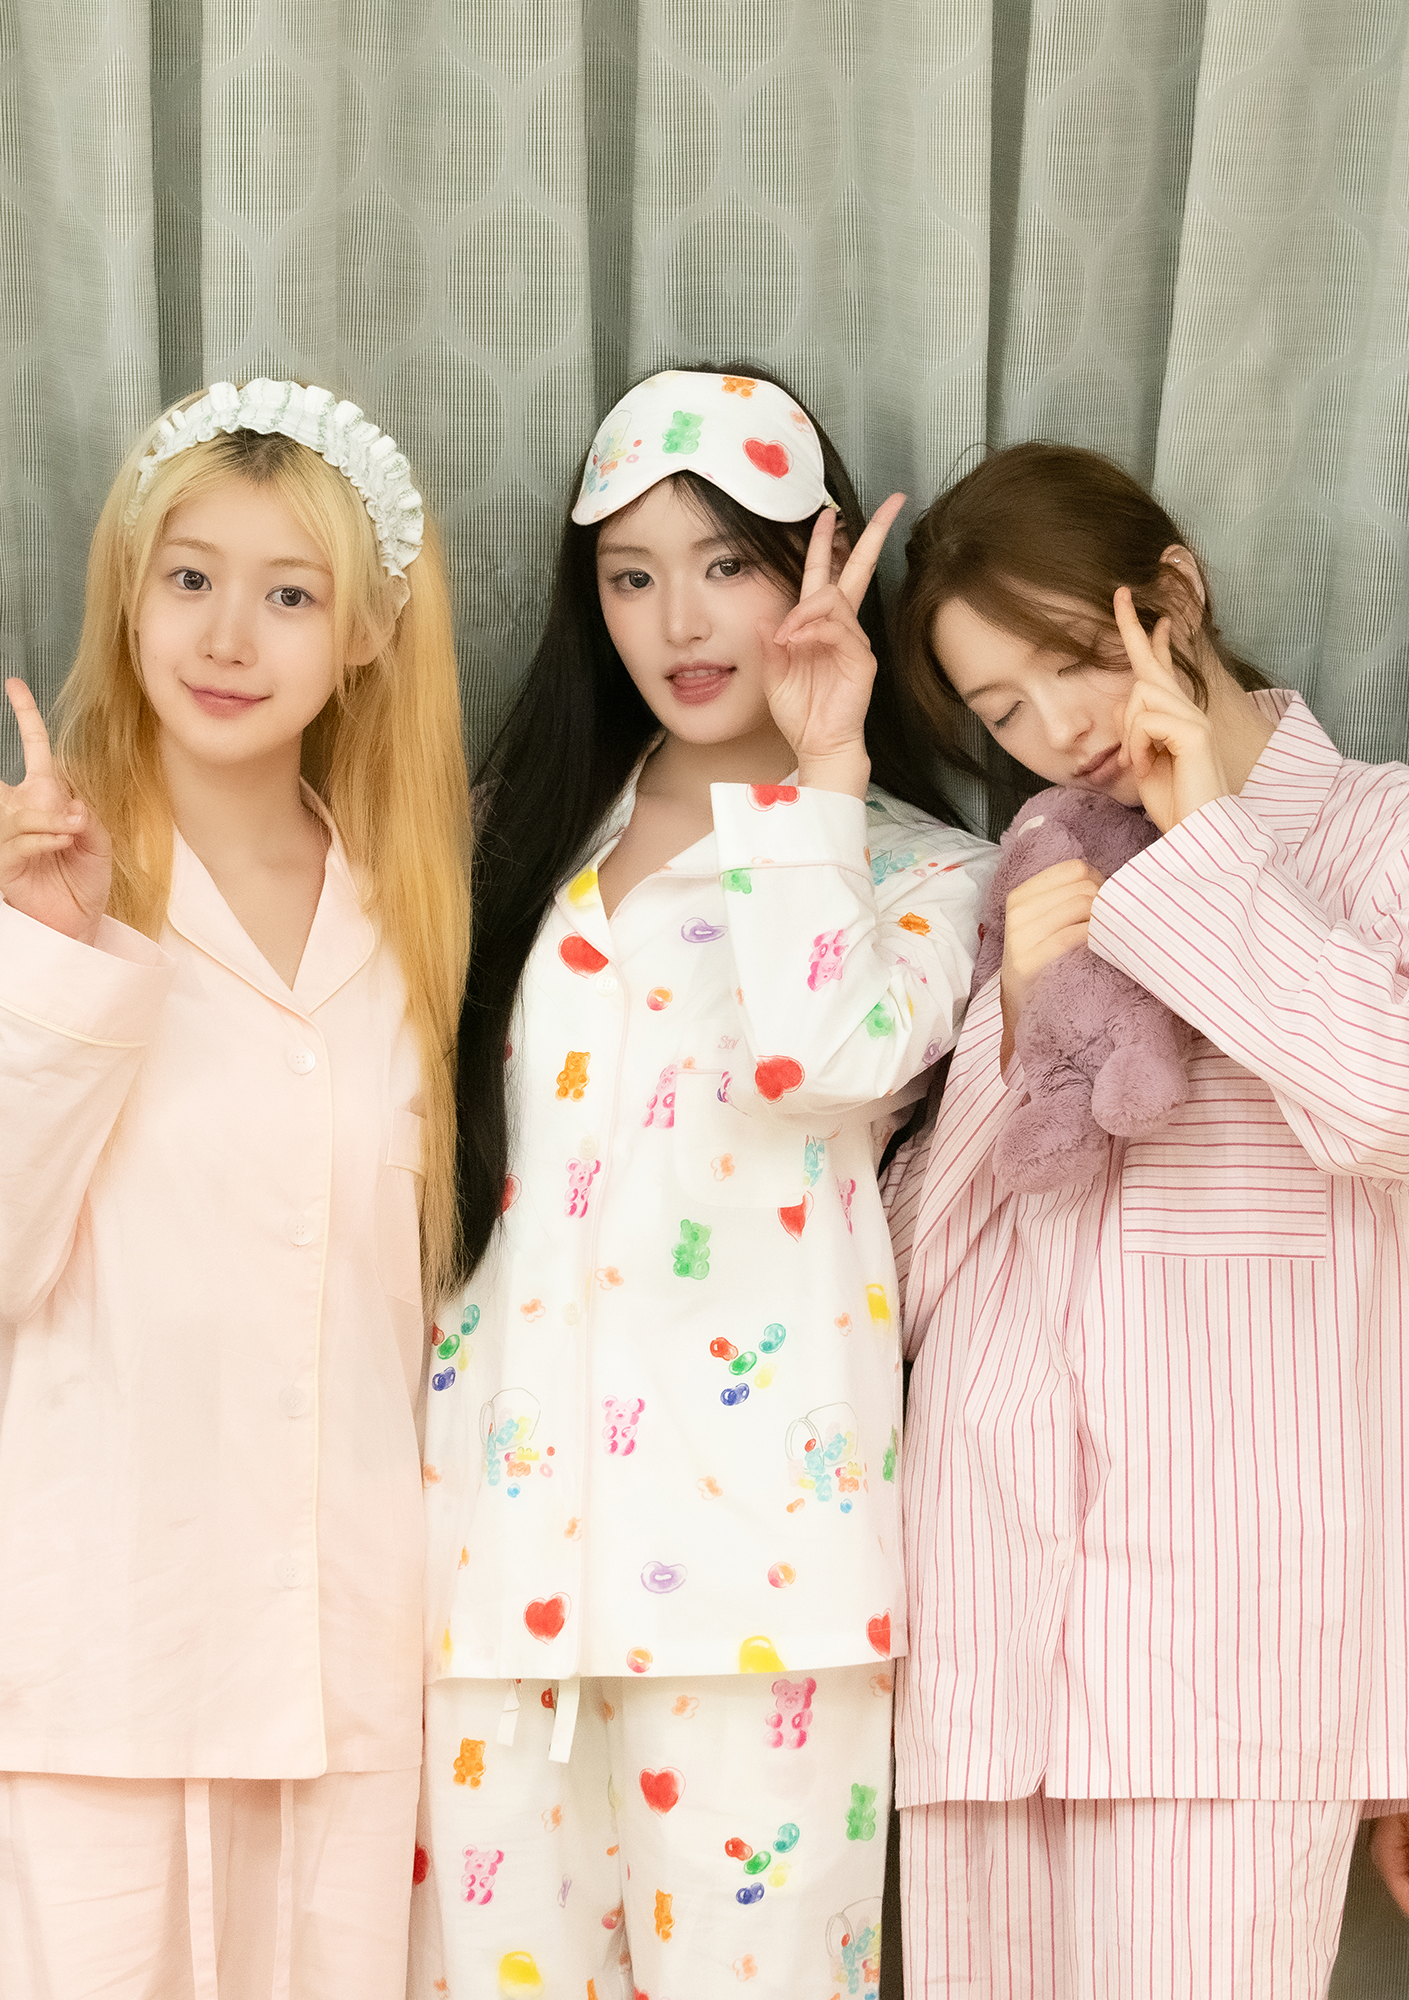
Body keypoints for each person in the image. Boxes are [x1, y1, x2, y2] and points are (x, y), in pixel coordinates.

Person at [883, 439, 1409, 1999]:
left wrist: (1199, 859)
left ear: (1173, 592)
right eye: (1000, 710)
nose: (1058, 731)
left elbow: (1386, 1104)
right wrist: (1010, 1032)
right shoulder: (1029, 880)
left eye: (1073, 660)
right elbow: (892, 1284)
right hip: (989, 1624)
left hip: (1240, 1646)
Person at [0, 377, 469, 1999]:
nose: (226, 637)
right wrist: (58, 949)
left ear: (366, 634)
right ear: (128, 593)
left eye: (292, 596)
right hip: (81, 1669)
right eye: (189, 578)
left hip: (341, 1686)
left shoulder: (409, 911)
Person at [413, 364, 995, 2000]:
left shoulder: (922, 868)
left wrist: (822, 771)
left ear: (820, 563)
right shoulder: (502, 848)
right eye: (632, 574)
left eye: (728, 563)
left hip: (766, 1598)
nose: (679, 620)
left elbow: (827, 1061)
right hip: (492, 1588)